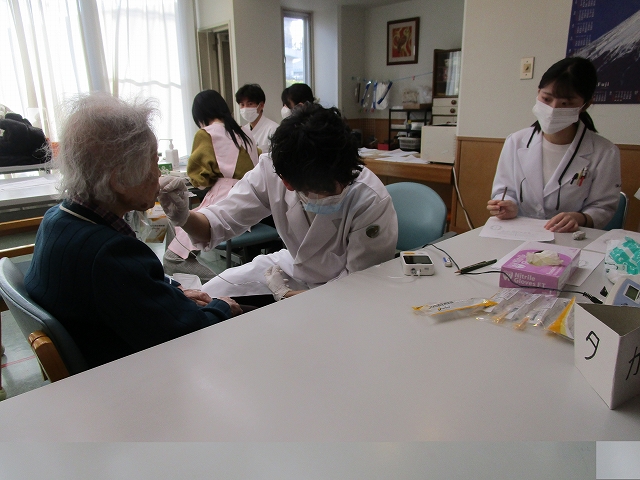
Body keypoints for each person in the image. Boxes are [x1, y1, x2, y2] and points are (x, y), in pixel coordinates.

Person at [24, 93, 241, 369]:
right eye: (153, 160)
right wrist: (222, 307)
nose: (158, 173)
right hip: (131, 375)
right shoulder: (110, 254)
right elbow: (188, 332)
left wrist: (170, 293)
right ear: (120, 180)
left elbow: (130, 296)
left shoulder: (56, 220)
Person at [158, 103, 398, 301]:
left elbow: (358, 290)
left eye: (337, 188)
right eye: (318, 191)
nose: (329, 196)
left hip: (345, 284)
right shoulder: (271, 171)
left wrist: (289, 296)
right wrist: (184, 217)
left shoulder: (370, 200)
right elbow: (218, 222)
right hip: (293, 267)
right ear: (287, 183)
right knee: (213, 291)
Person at [487, 56, 621, 233]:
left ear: (585, 105)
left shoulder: (604, 152)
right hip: (520, 233)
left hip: (571, 238)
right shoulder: (516, 141)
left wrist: (579, 218)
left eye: (566, 103)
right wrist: (507, 205)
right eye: (547, 99)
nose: (554, 109)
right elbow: (504, 190)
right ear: (538, 93)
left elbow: (603, 207)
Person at [163, 89, 260, 281]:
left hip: (225, 204)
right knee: (175, 224)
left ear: (200, 115)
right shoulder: (246, 134)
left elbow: (199, 180)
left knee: (173, 260)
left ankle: (223, 287)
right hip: (251, 205)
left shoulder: (207, 134)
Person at [235, 83, 279, 153]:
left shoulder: (273, 129)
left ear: (261, 105)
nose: (245, 108)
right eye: (242, 105)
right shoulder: (242, 131)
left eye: (250, 104)